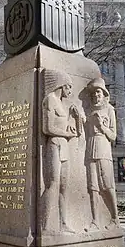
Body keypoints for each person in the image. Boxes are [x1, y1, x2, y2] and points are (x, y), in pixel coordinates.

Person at [41, 69, 81, 234]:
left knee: (63, 186)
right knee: (53, 184)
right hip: (54, 144)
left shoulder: (63, 105)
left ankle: (63, 223)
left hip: (64, 146)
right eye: (69, 87)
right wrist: (66, 133)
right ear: (61, 85)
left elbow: (75, 131)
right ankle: (45, 225)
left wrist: (76, 118)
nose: (71, 91)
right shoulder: (50, 100)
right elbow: (47, 127)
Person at [86, 77, 118, 231]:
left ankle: (115, 218)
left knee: (107, 185)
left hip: (104, 148)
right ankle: (95, 220)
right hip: (90, 148)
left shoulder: (109, 109)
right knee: (93, 187)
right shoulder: (90, 110)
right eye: (93, 93)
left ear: (104, 93)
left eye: (98, 92)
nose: (95, 95)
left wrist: (102, 127)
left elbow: (113, 136)